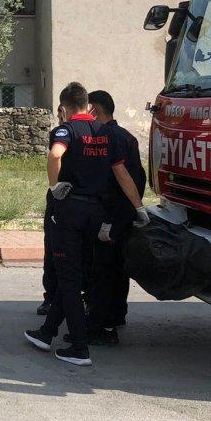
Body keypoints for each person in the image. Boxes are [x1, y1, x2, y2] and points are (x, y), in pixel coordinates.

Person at [25, 83, 148, 366]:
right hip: (96, 214)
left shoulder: (66, 130)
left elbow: (55, 154)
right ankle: (47, 332)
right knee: (78, 276)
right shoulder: (106, 133)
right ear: (87, 106)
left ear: (66, 107)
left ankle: (79, 348)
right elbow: (122, 174)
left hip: (69, 213)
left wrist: (54, 186)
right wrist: (138, 207)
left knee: (67, 278)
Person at [85, 90, 147, 345]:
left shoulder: (103, 138)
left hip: (110, 215)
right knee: (118, 270)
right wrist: (135, 211)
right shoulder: (127, 136)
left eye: (89, 110)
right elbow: (139, 177)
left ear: (96, 110)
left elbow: (120, 177)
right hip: (123, 215)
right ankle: (117, 316)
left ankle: (103, 327)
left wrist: (114, 218)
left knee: (103, 272)